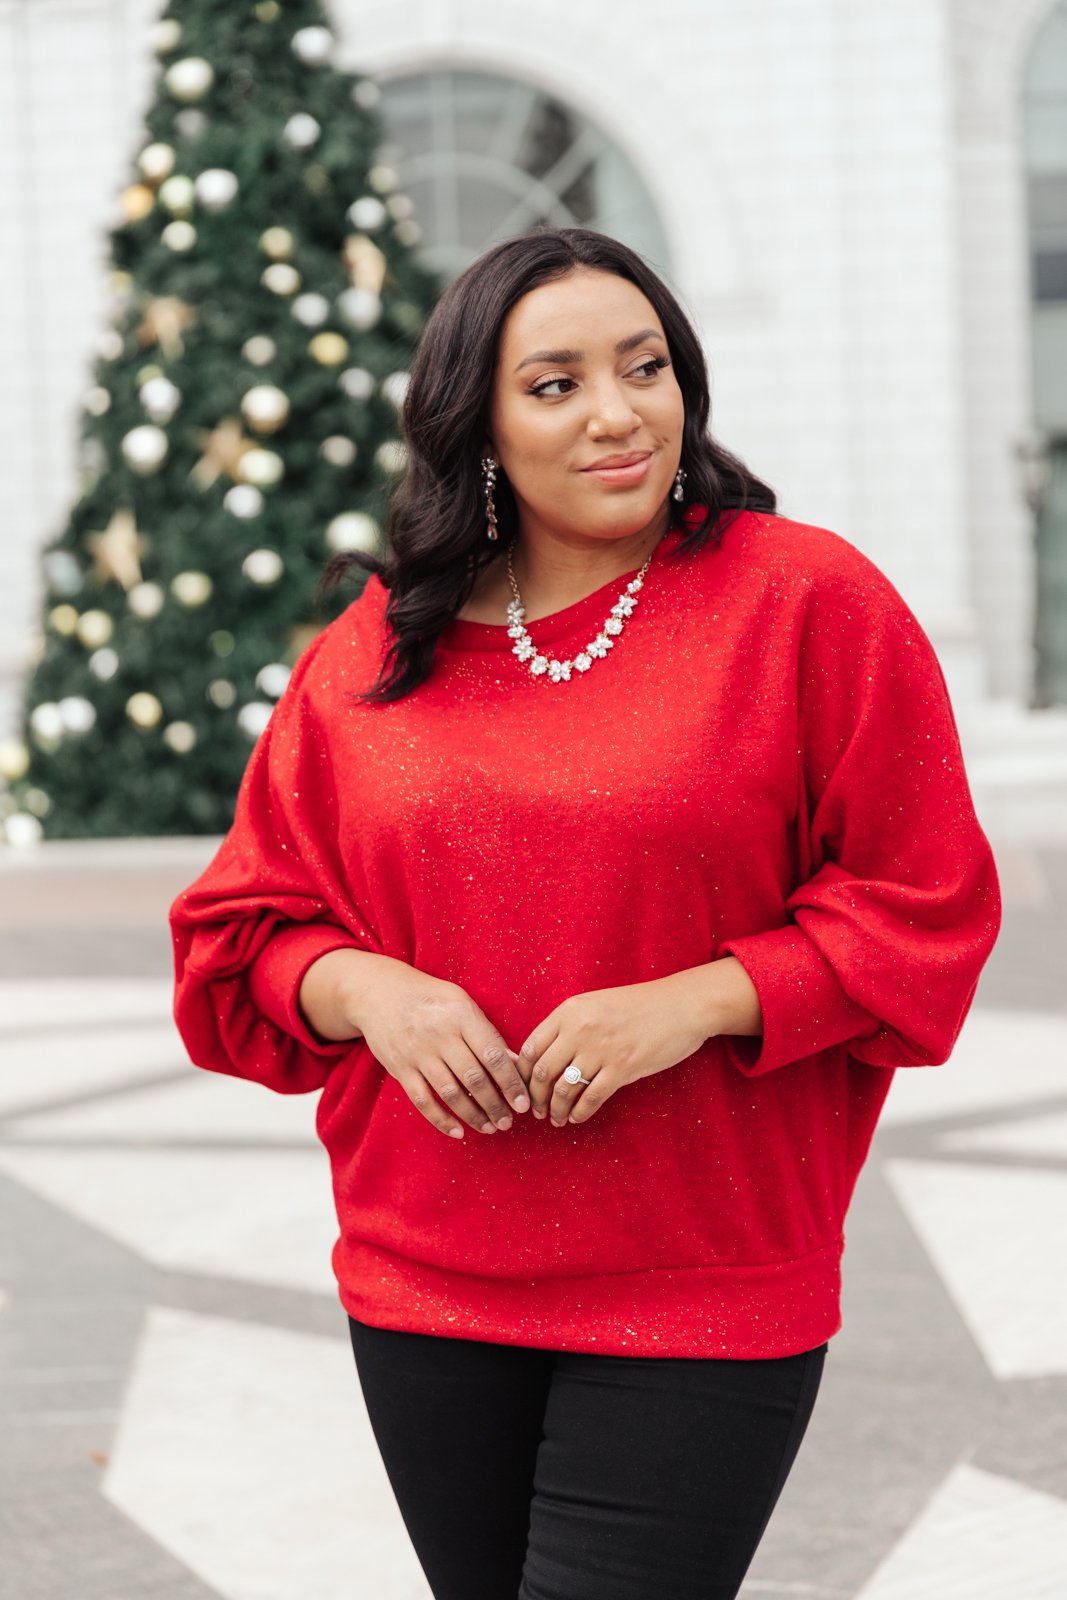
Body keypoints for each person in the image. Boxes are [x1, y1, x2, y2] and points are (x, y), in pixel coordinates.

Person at [169, 226, 1001, 1600]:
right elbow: (241, 934)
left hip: (704, 1266)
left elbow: (926, 903)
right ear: (477, 425)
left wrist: (700, 998)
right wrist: (370, 990)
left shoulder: (805, 604)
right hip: (425, 1271)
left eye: (646, 367)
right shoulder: (376, 653)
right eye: (555, 384)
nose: (619, 413)